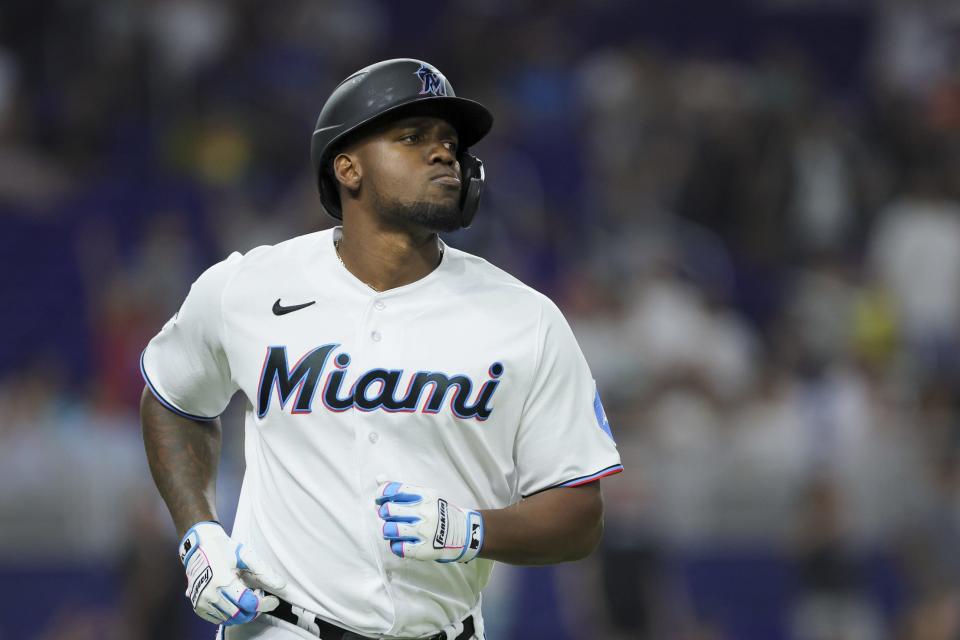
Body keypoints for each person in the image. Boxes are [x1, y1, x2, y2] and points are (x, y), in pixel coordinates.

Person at [139, 58, 623, 640]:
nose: (443, 153)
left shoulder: (526, 319)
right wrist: (198, 534)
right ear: (348, 167)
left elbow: (579, 518)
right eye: (412, 137)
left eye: (449, 141)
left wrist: (470, 531)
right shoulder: (249, 287)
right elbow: (171, 398)